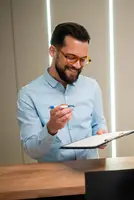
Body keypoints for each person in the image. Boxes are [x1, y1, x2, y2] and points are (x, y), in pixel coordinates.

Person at [17, 22, 107, 162]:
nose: (77, 65)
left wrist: (102, 135)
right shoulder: (28, 95)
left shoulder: (92, 87)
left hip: (91, 171)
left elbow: (98, 124)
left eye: (83, 59)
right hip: (54, 177)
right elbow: (32, 150)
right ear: (53, 51)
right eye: (71, 57)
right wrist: (50, 129)